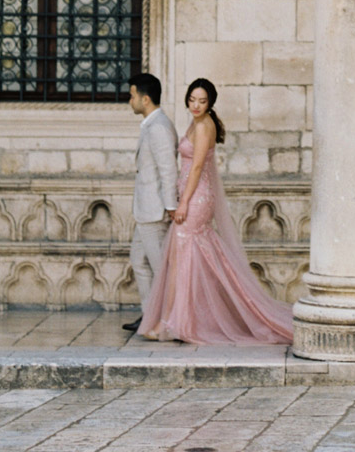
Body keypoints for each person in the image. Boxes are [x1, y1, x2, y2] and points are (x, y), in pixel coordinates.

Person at [137, 78, 294, 344]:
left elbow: (197, 168)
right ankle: (180, 319)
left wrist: (183, 202)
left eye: (202, 101)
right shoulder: (196, 122)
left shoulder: (204, 126)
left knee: (181, 259)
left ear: (210, 103)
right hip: (191, 194)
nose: (196, 105)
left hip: (196, 198)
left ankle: (172, 324)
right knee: (186, 259)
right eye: (192, 100)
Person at [124, 72, 178, 334]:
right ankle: (150, 315)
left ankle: (166, 321)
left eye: (132, 95)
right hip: (145, 210)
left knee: (159, 269)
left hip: (155, 212)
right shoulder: (151, 125)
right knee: (138, 261)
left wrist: (170, 208)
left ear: (145, 99)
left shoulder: (158, 128)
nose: (129, 100)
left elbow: (168, 170)